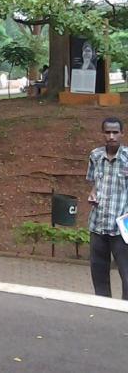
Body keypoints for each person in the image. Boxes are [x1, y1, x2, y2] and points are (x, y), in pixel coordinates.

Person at [85, 117, 128, 299]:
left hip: (121, 229)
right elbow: (95, 183)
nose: (111, 136)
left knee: (127, 276)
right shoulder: (95, 156)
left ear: (122, 134)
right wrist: (93, 194)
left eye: (115, 132)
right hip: (98, 225)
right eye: (108, 132)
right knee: (99, 274)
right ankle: (104, 311)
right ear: (103, 134)